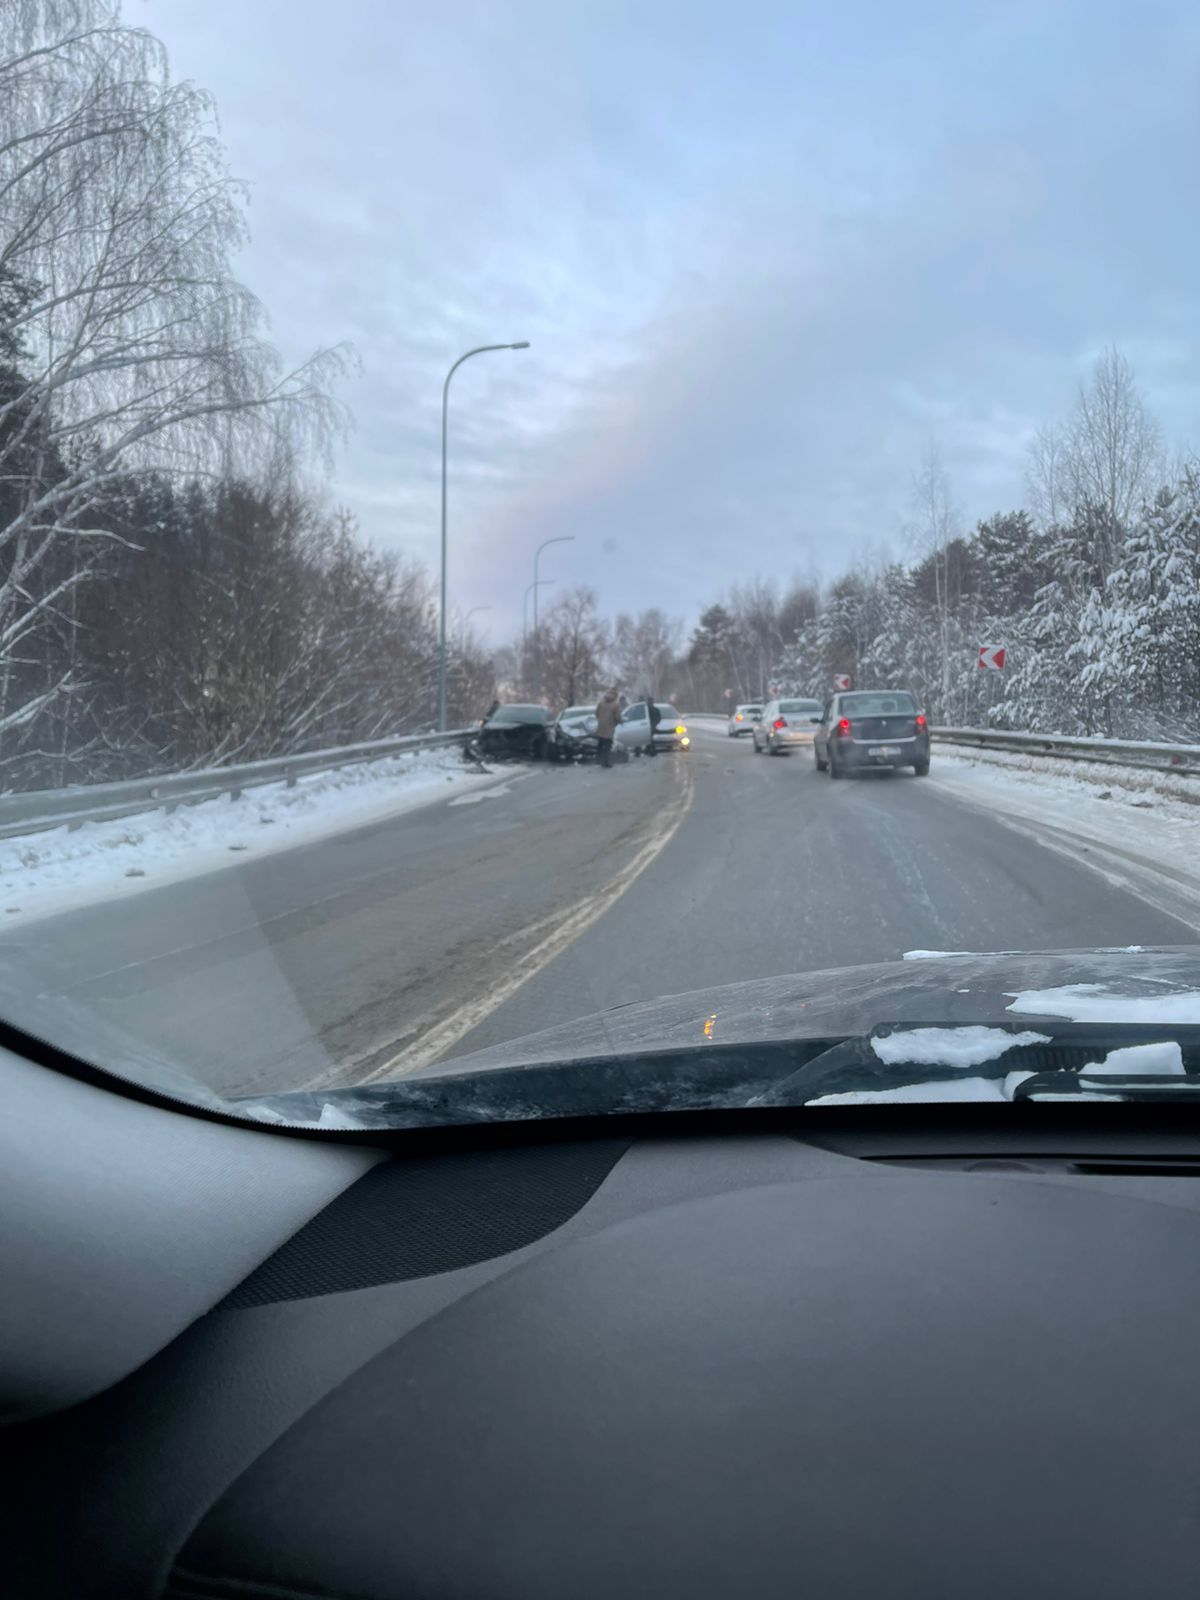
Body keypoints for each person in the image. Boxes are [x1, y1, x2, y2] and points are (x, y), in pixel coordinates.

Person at [594, 687, 620, 768]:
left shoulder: (601, 703)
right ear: (615, 695)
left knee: (600, 744)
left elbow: (596, 713)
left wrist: (601, 720)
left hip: (601, 726)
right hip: (609, 727)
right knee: (607, 745)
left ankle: (598, 760)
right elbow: (617, 717)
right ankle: (606, 762)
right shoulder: (615, 704)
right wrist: (616, 723)